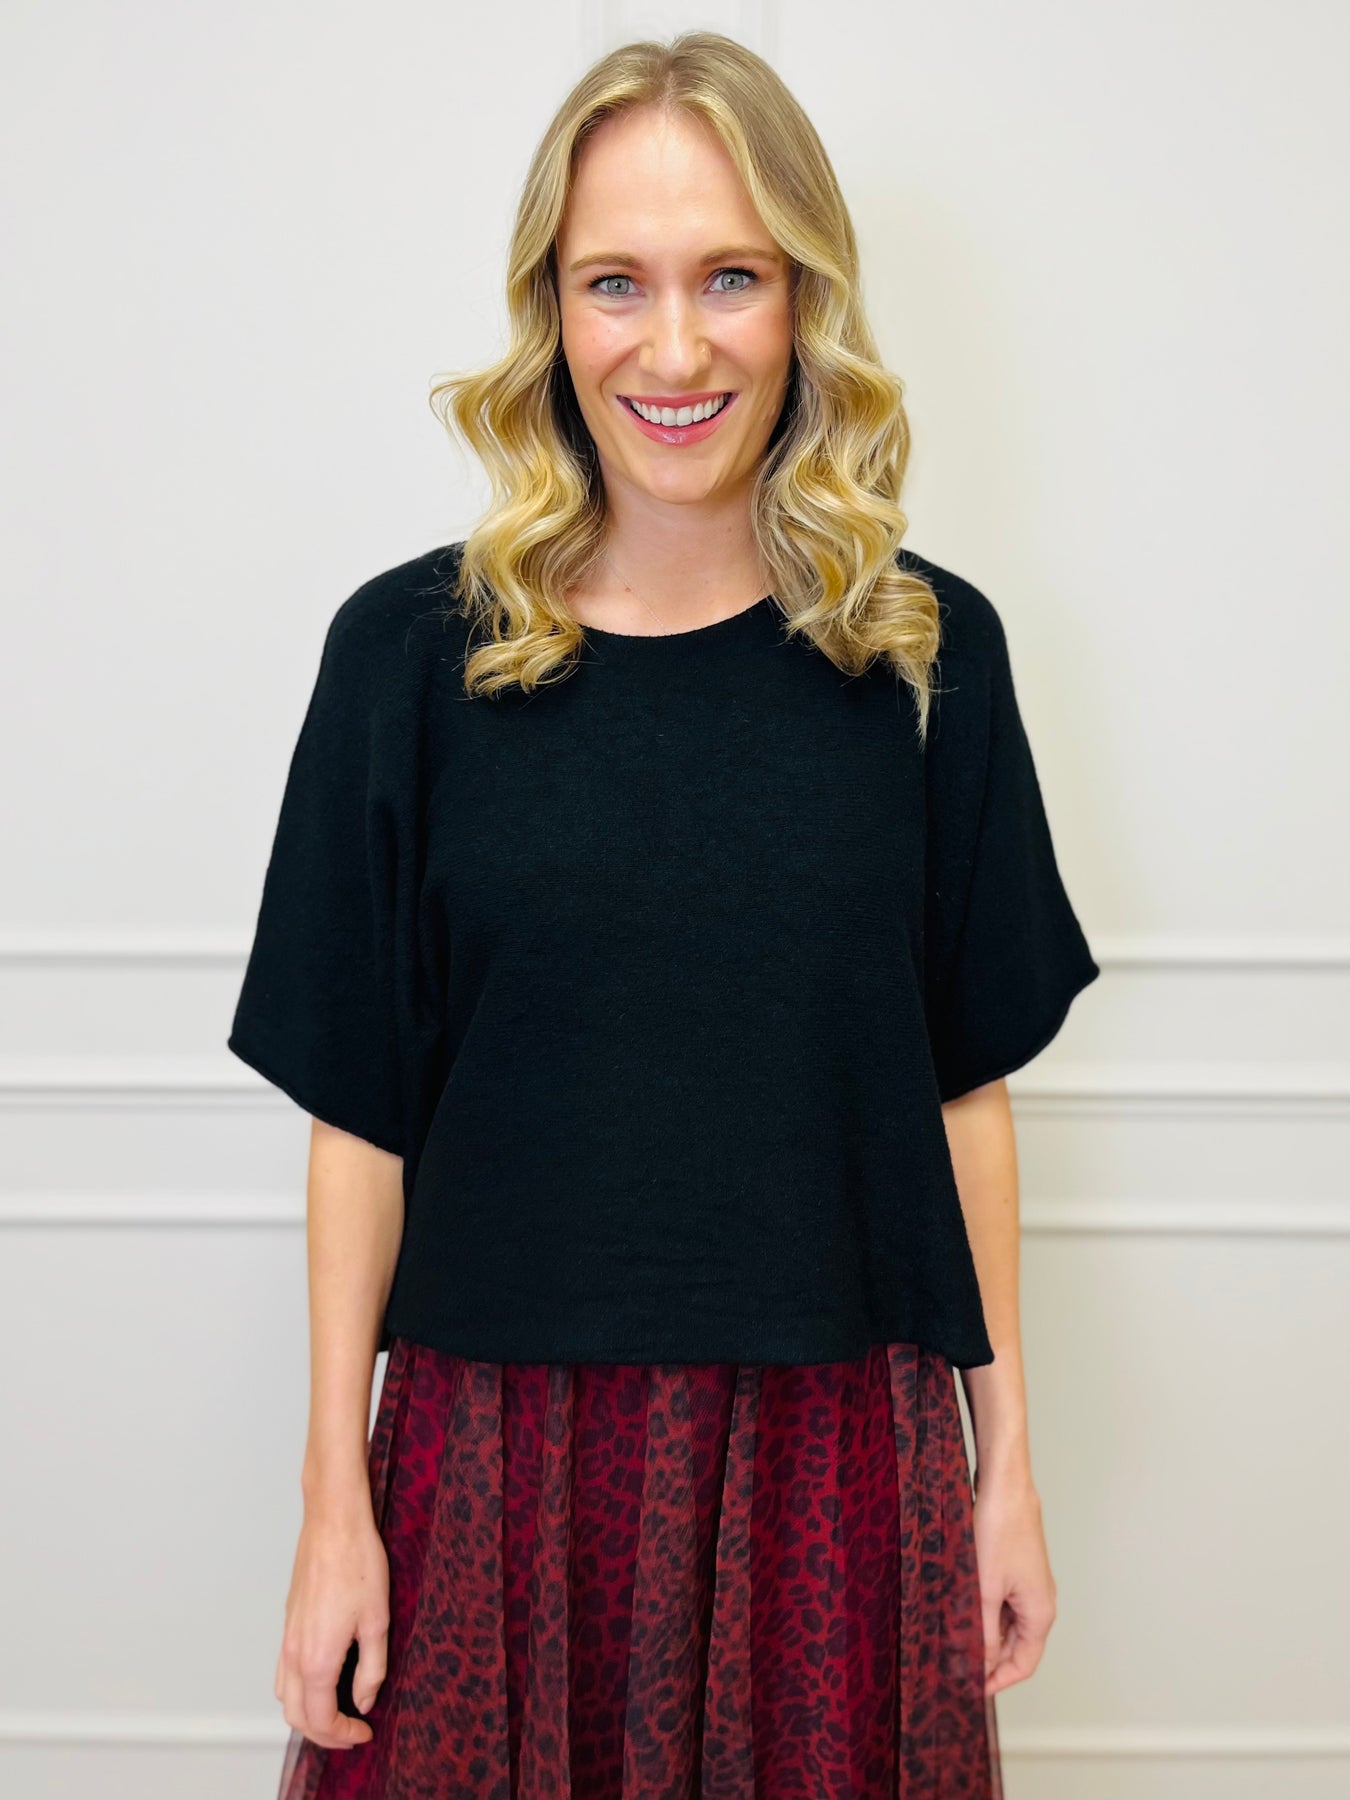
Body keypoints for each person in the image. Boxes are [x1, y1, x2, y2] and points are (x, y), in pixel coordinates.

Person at [228, 30, 1099, 1800]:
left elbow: (963, 1097)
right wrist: (333, 1504)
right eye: (614, 282)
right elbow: (359, 1126)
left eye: (732, 278)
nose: (676, 347)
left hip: (838, 1458)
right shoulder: (406, 662)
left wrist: (1005, 1463)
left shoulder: (925, 657)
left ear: (805, 302)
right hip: (493, 1459)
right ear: (551, 312)